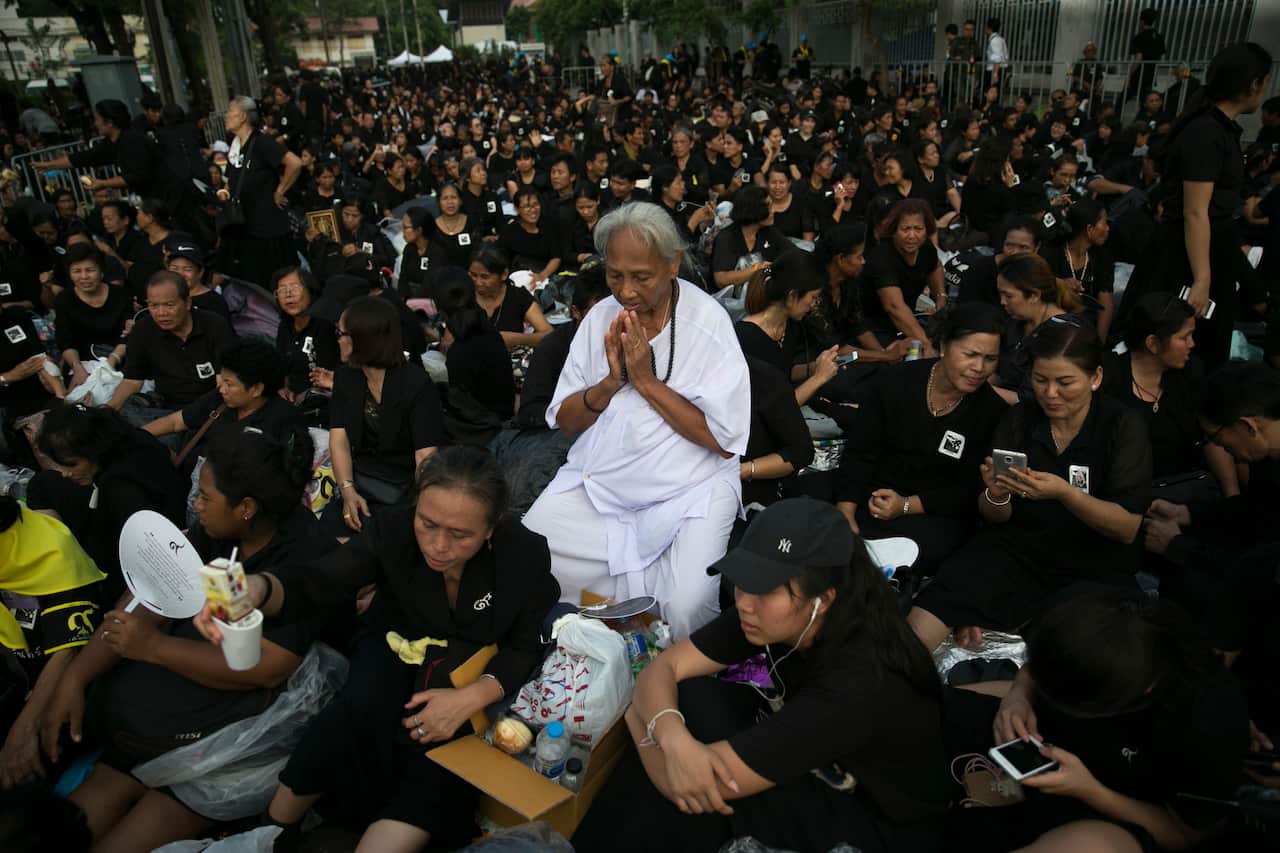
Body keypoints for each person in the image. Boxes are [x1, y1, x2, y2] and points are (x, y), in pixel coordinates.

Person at [196, 446, 560, 853]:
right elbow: (322, 580)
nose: (439, 546)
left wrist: (470, 698)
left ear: (492, 527)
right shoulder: (393, 530)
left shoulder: (522, 555)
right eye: (428, 523)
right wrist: (256, 590)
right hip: (395, 640)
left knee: (441, 753)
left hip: (471, 666)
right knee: (358, 706)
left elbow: (524, 645)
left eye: (460, 535)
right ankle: (274, 829)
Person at [574, 498, 948, 853]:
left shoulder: (860, 681)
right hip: (809, 743)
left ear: (825, 599)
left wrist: (642, 728)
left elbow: (694, 787)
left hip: (868, 814)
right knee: (695, 698)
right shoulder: (768, 612)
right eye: (743, 581)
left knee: (690, 809)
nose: (743, 603)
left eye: (765, 588)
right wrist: (672, 737)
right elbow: (664, 668)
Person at [38, 427, 322, 852]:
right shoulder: (220, 531)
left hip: (225, 742)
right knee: (61, 831)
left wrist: (153, 648)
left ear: (246, 507)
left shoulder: (301, 560)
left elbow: (265, 669)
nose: (195, 504)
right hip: (158, 719)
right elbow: (150, 594)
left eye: (206, 497)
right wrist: (75, 678)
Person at [523, 203, 750, 637]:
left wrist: (646, 382)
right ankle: (620, 632)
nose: (625, 291)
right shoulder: (599, 318)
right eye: (615, 275)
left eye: (641, 277)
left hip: (691, 490)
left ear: (673, 264)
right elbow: (567, 422)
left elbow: (723, 441)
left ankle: (673, 668)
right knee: (530, 555)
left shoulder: (709, 324)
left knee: (686, 609)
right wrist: (611, 382)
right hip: (601, 483)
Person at [908, 322, 1152, 652]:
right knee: (940, 601)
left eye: (1065, 382)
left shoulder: (1122, 426)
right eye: (1040, 380)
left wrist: (1066, 494)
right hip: (1019, 548)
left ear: (1094, 378)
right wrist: (996, 494)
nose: (1050, 393)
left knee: (1093, 644)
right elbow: (996, 516)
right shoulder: (1019, 419)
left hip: (1092, 563)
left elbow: (1126, 528)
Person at [950, 591, 1249, 852]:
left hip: (1114, 807)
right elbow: (1031, 672)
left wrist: (1088, 789)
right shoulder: (1088, 611)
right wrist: (1018, 697)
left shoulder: (1208, 721)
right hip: (1038, 739)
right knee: (939, 706)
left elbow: (1185, 834)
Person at [1124, 43, 1272, 366]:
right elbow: (1195, 211)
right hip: (1187, 254)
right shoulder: (1206, 132)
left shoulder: (1220, 129)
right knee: (1179, 345)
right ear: (1254, 83)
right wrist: (1202, 278)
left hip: (1210, 247)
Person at [835, 303, 1008, 574]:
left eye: (990, 359)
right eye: (970, 355)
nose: (979, 368)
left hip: (930, 513)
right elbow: (860, 451)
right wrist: (845, 510)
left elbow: (967, 490)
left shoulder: (993, 413)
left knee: (930, 550)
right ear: (943, 346)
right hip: (870, 497)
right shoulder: (894, 382)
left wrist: (905, 506)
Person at [0, 494, 104, 791]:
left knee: (19, 773)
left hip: (68, 683)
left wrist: (23, 730)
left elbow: (68, 652)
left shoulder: (49, 551)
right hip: (16, 678)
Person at [29, 403, 185, 600]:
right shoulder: (134, 438)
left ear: (93, 450)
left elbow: (143, 560)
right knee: (43, 483)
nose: (66, 473)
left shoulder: (121, 491)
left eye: (72, 464)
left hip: (133, 563)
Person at [1101, 292, 1236, 495]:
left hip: (1182, 489)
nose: (1192, 344)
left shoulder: (1192, 374)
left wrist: (1231, 494)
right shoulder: (1108, 377)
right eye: (1184, 337)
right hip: (1123, 495)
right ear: (1153, 344)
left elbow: (1211, 437)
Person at [328, 296, 443, 533]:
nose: (337, 340)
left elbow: (425, 456)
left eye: (341, 334)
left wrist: (419, 509)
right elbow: (339, 439)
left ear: (362, 339)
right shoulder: (346, 377)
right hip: (361, 480)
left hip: (405, 486)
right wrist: (348, 491)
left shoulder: (415, 383)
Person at [143, 337, 305, 460]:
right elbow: (175, 422)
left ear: (256, 389)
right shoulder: (219, 399)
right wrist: (136, 436)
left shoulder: (284, 419)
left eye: (229, 383)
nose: (222, 388)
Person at [105, 271, 236, 423]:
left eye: (169, 305)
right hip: (166, 405)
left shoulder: (215, 325)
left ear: (187, 303)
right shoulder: (143, 330)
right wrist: (107, 411)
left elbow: (225, 381)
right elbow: (132, 381)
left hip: (211, 407)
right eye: (153, 306)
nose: (161, 313)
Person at [736, 249, 839, 406]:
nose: (813, 305)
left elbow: (783, 371)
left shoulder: (790, 324)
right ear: (792, 296)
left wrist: (814, 367)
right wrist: (819, 378)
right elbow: (775, 409)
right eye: (813, 298)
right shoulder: (747, 337)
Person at [219, 96, 302, 289]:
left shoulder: (262, 142)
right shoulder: (235, 146)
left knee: (278, 280)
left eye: (230, 112)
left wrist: (280, 190)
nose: (226, 117)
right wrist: (224, 192)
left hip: (268, 227)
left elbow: (294, 163)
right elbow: (232, 179)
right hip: (245, 225)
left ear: (242, 117)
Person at [992, 253, 1083, 403]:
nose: (1002, 302)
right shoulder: (1016, 323)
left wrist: (980, 391)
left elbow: (1035, 399)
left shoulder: (1066, 335)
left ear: (1034, 295)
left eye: (1008, 296)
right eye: (1000, 295)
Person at [859, 199, 945, 353]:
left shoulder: (925, 248)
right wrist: (926, 345)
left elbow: (935, 266)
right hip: (875, 327)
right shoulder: (882, 257)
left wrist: (940, 297)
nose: (912, 236)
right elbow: (894, 307)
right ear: (893, 231)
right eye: (905, 229)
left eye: (918, 229)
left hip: (908, 319)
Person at [436, 267, 518, 429]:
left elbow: (466, 411)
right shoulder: (486, 328)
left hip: (486, 428)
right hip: (500, 414)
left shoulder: (460, 351)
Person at [52, 244, 131, 390]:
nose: (84, 276)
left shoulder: (120, 295)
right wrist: (77, 368)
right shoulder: (64, 299)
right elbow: (65, 340)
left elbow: (127, 335)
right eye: (77, 271)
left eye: (90, 270)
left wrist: (110, 364)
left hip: (119, 359)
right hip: (80, 363)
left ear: (101, 272)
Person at [1043, 199, 1115, 340]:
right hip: (1051, 324)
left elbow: (1106, 304)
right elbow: (1036, 286)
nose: (1108, 228)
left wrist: (1098, 343)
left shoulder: (1102, 257)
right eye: (1104, 223)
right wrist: (1059, 284)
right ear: (1089, 229)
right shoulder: (1051, 253)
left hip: (1085, 329)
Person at [468, 244, 552, 351]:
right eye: (473, 275)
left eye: (485, 277)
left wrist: (516, 339)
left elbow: (548, 334)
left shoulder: (518, 296)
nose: (478, 282)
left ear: (504, 274)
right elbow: (448, 342)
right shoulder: (465, 296)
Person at [271, 267, 339, 398]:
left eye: (295, 287)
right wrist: (284, 388)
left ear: (310, 290)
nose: (288, 294)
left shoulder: (325, 325)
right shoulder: (284, 327)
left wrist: (305, 396)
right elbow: (282, 368)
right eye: (282, 289)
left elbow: (329, 376)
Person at [944, 217, 1041, 306]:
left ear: (1036, 248)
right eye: (1009, 245)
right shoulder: (980, 269)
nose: (1014, 252)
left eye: (1023, 247)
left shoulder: (1039, 272)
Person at [711, 186, 787, 289]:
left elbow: (792, 253)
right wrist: (758, 268)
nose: (773, 211)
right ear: (753, 210)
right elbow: (721, 280)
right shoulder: (726, 238)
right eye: (768, 207)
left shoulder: (770, 233)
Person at [496, 187, 566, 287]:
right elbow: (502, 262)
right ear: (517, 209)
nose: (533, 210)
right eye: (527, 207)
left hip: (547, 276)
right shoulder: (509, 232)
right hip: (519, 279)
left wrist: (543, 275)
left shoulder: (549, 225)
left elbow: (556, 257)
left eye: (535, 205)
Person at [426, 183, 476, 273]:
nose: (450, 202)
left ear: (460, 201)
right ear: (438, 202)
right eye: (445, 198)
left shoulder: (471, 222)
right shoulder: (432, 227)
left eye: (453, 197)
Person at [1125, 8, 1167, 105]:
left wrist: (1130, 73)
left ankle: (1114, 117)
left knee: (1123, 99)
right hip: (1150, 74)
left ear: (1142, 21)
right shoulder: (1159, 37)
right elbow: (1159, 56)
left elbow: (1138, 57)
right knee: (1145, 101)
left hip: (1138, 75)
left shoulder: (1140, 37)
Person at [397, 206, 435, 300]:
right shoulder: (409, 249)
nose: (403, 231)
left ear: (419, 230)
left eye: (406, 228)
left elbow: (430, 284)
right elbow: (403, 278)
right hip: (409, 299)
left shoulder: (437, 251)